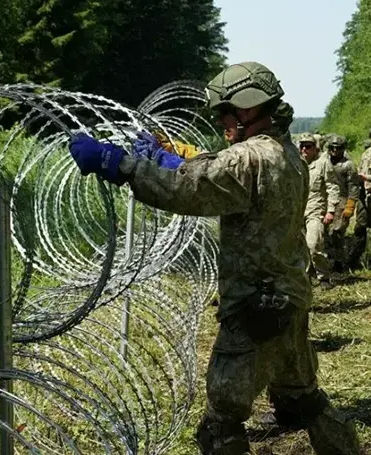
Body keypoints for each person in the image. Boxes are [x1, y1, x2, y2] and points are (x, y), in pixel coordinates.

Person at [68, 61, 360, 454]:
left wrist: (118, 164)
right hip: (289, 295)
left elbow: (183, 189)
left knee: (222, 421)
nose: (221, 120)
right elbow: (216, 175)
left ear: (246, 108)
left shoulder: (248, 158)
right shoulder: (287, 153)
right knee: (303, 398)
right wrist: (171, 160)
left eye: (224, 112)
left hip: (253, 305)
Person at [299, 133, 339, 289]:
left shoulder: (323, 163)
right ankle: (305, 277)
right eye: (302, 145)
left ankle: (323, 276)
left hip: (316, 209)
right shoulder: (296, 163)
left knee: (313, 244)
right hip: (298, 211)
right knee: (300, 248)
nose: (304, 149)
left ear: (315, 148)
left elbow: (333, 187)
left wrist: (331, 210)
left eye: (308, 146)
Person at [324, 134, 359, 272]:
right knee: (324, 233)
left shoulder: (348, 165)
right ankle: (327, 260)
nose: (335, 151)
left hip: (343, 200)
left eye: (338, 148)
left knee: (337, 232)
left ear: (343, 149)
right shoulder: (324, 162)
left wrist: (350, 206)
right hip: (326, 200)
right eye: (332, 148)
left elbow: (354, 186)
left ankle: (339, 262)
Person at [349, 134, 371, 269]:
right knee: (360, 228)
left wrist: (367, 177)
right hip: (364, 195)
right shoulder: (366, 153)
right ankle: (354, 260)